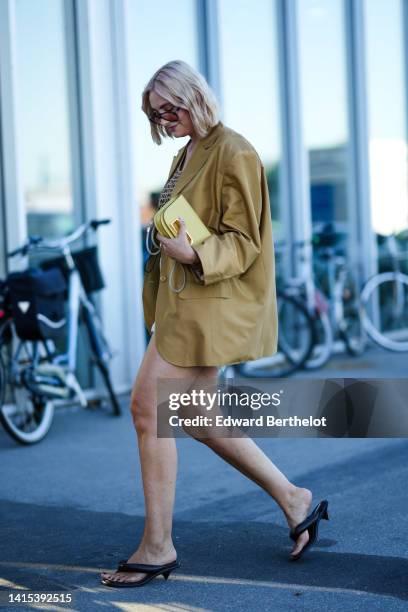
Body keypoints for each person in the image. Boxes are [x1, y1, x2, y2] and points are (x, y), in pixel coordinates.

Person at [100, 60, 329, 588]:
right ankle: (294, 499)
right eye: (157, 115)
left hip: (209, 302)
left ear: (193, 97)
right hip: (184, 303)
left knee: (146, 407)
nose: (166, 121)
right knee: (198, 417)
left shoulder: (235, 150)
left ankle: (158, 546)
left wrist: (193, 251)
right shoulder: (188, 153)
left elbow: (246, 241)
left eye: (171, 109)